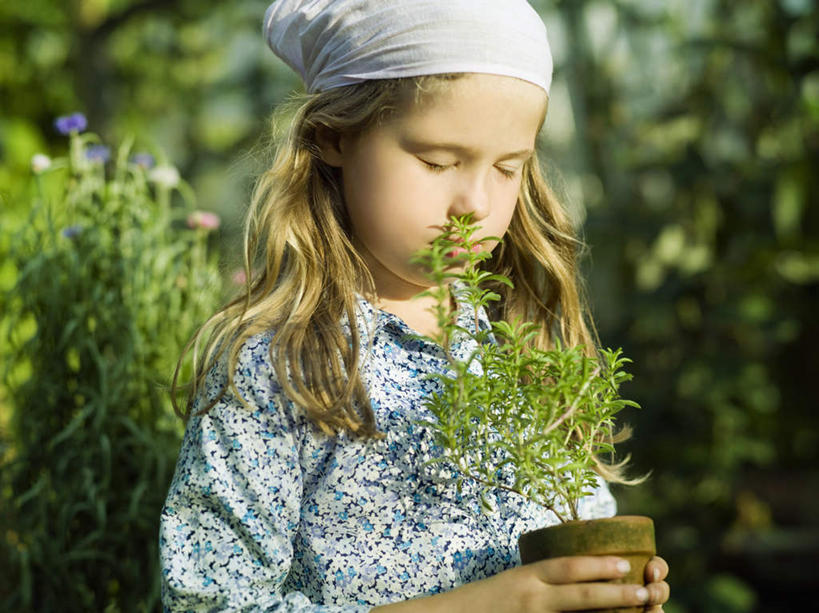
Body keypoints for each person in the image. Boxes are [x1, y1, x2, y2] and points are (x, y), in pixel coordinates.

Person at [159, 0, 671, 611]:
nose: (474, 204)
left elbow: (577, 531)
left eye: (508, 169)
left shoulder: (520, 341)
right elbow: (210, 601)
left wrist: (608, 582)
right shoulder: (280, 364)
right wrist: (495, 604)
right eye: (437, 161)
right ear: (334, 136)